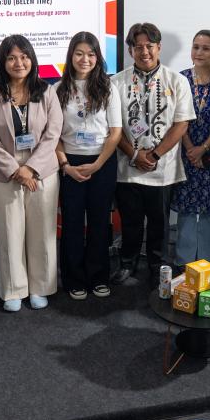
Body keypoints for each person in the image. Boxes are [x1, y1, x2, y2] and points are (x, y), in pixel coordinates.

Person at [0, 35, 63, 311]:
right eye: (12, 57)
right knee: (9, 231)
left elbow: (53, 134)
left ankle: (41, 287)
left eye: (24, 56)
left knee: (42, 231)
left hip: (42, 171)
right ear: (3, 62)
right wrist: (16, 170)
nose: (19, 63)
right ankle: (14, 289)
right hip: (4, 172)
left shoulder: (47, 91)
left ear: (32, 59)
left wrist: (31, 168)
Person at [111, 23, 196, 288]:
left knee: (159, 224)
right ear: (130, 50)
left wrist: (155, 154)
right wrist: (135, 154)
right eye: (138, 47)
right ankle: (127, 263)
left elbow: (181, 123)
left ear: (159, 48)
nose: (144, 51)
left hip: (163, 169)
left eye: (150, 46)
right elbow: (112, 127)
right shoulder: (116, 82)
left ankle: (158, 266)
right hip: (128, 168)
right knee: (131, 222)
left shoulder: (177, 81)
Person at [53, 32, 122, 300]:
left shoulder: (108, 88)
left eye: (91, 54)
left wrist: (97, 165)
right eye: (79, 53)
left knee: (98, 222)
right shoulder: (58, 89)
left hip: (101, 161)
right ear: (71, 56)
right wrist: (66, 166)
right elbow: (54, 135)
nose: (85, 59)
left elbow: (115, 132)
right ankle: (73, 279)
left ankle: (98, 276)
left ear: (98, 58)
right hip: (70, 163)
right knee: (71, 223)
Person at [170, 30, 210, 267]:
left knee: (208, 211)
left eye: (205, 48)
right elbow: (177, 118)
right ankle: (183, 263)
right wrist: (191, 148)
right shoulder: (181, 79)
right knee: (185, 209)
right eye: (196, 47)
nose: (199, 52)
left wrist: (203, 148)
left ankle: (208, 264)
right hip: (185, 151)